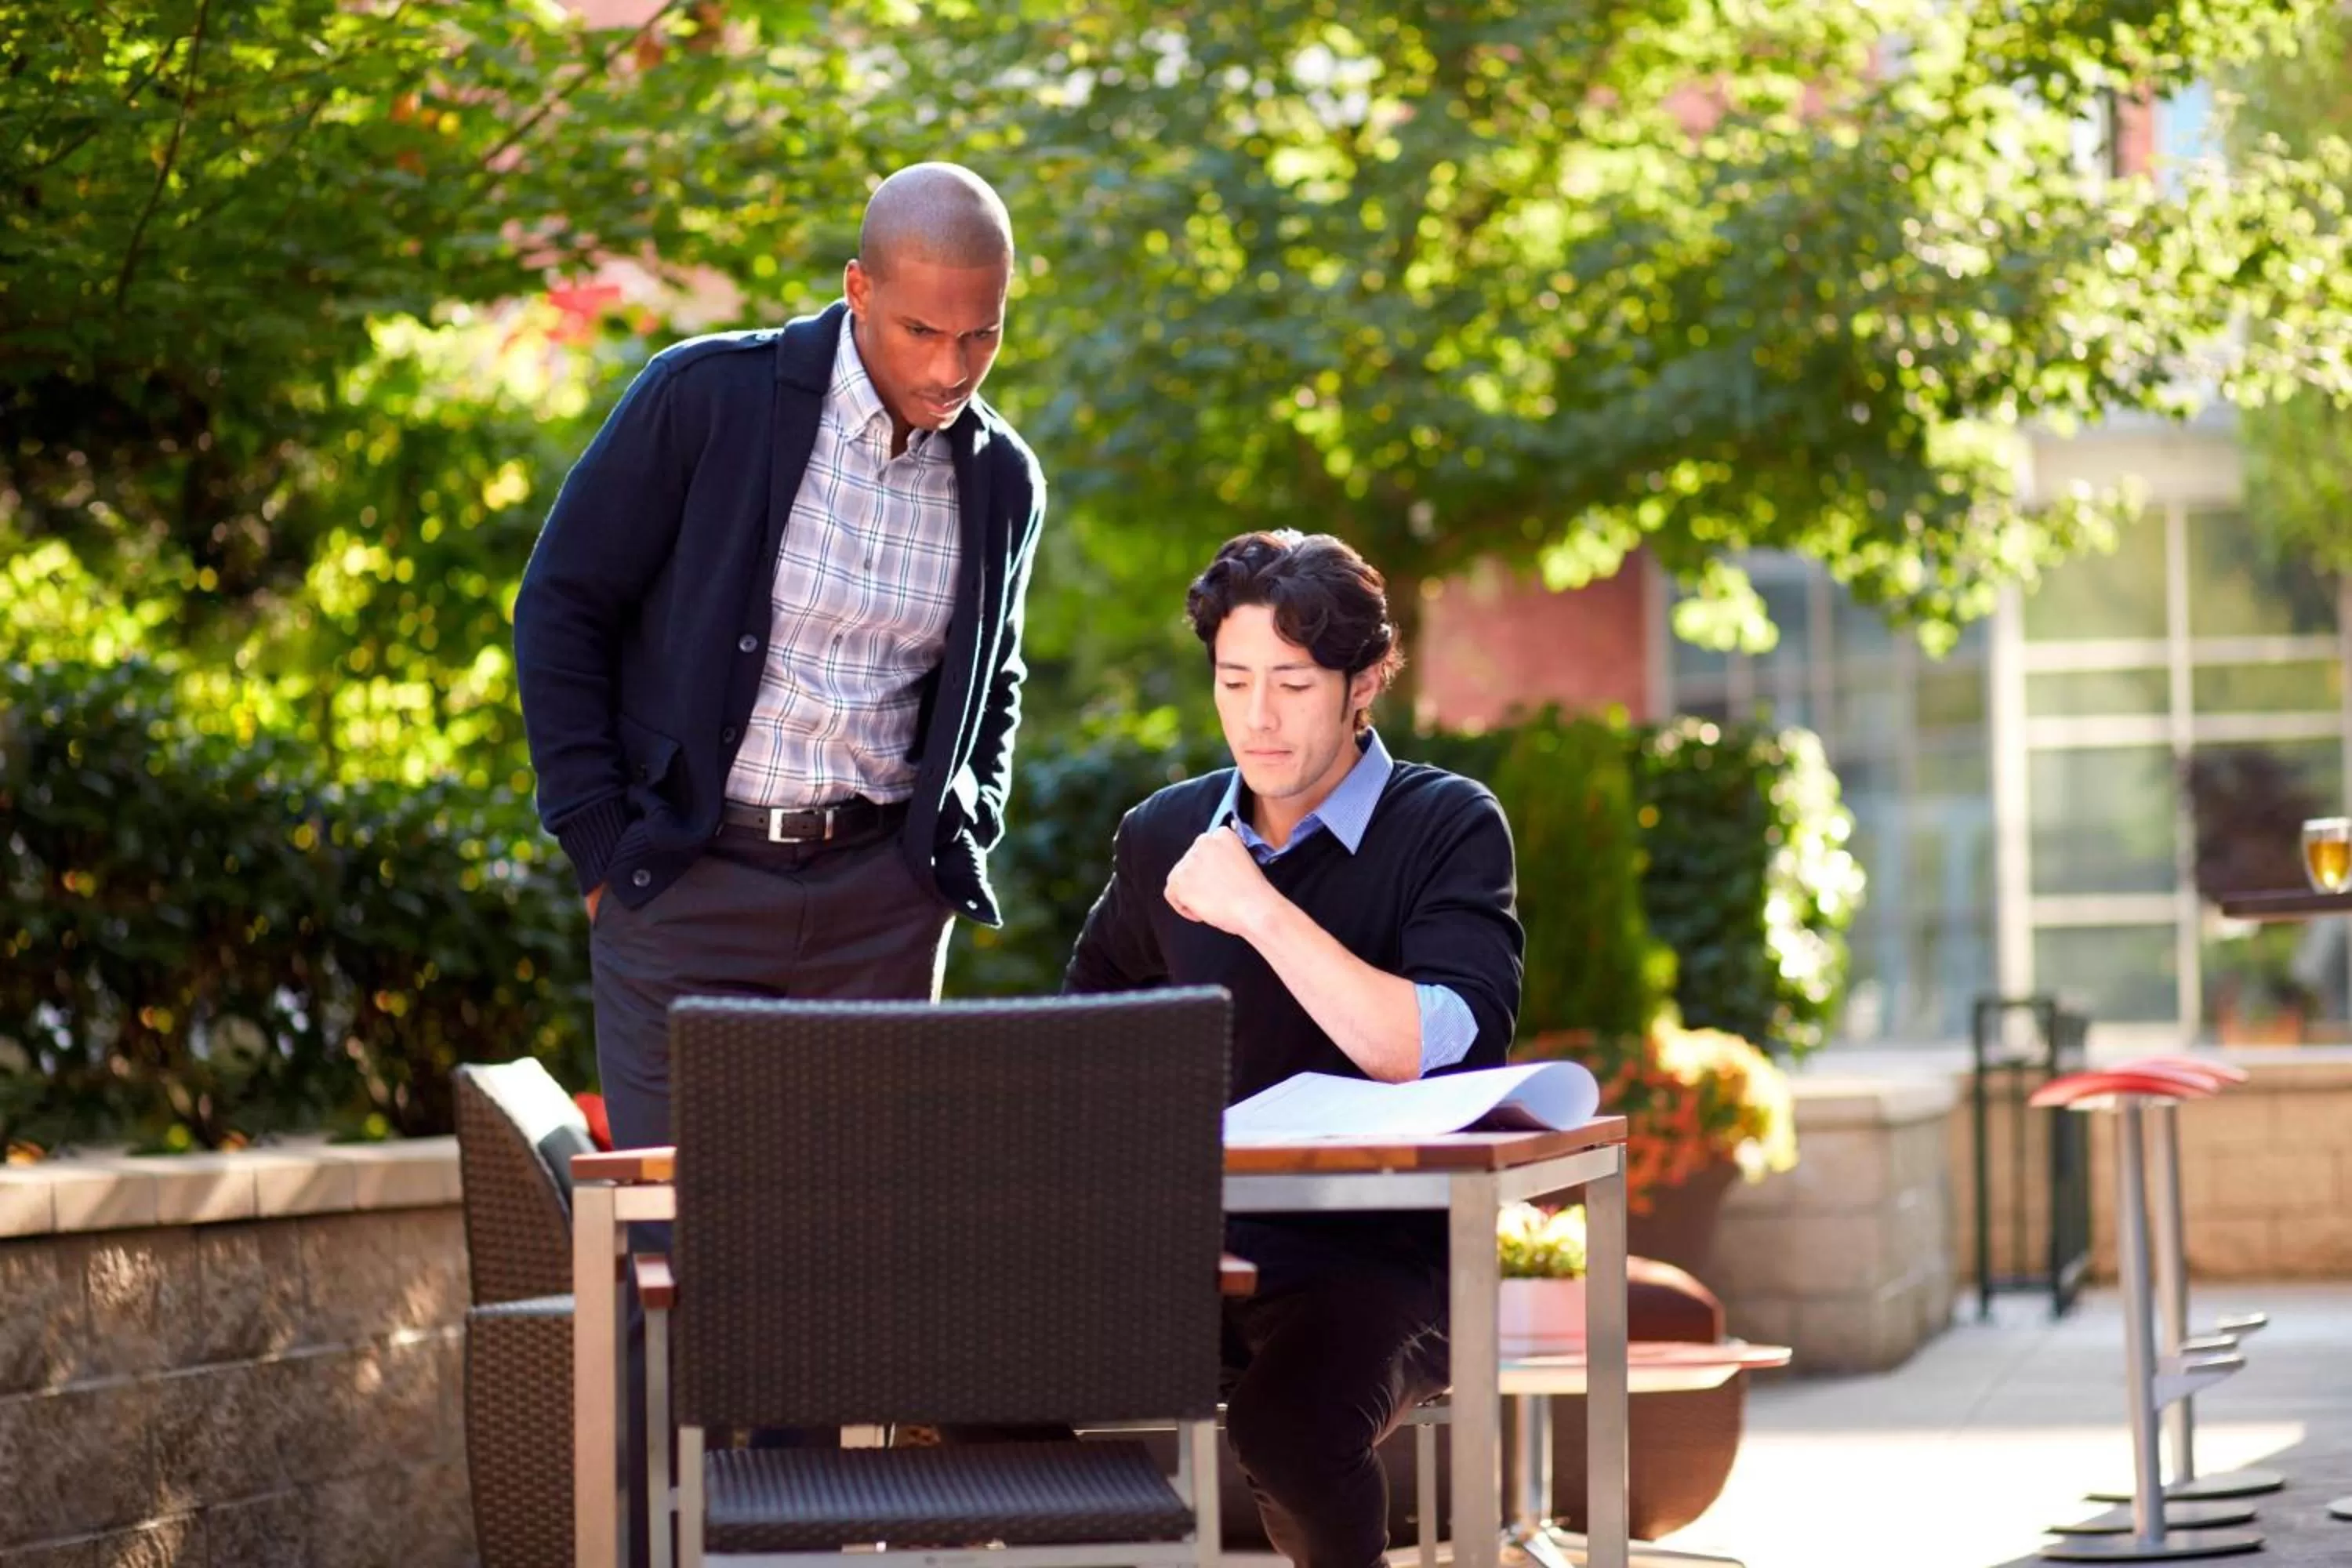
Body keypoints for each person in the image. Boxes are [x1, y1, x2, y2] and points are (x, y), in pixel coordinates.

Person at [515, 160, 1045, 1156]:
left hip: (880, 912)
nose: (949, 369)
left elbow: (995, 677)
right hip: (687, 889)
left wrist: (949, 846)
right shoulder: (707, 399)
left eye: (981, 334)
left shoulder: (1002, 479)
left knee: (855, 1254)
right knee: (684, 1249)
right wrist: (601, 847)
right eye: (921, 331)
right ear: (859, 289)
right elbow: (561, 607)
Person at [1065, 530, 1525, 1568]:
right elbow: (1080, 1045)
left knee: (1290, 1429)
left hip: (1386, 1259)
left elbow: (1428, 1047)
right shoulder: (1162, 835)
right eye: (1234, 681)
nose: (1258, 717)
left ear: (1366, 682)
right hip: (1189, 1251)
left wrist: (1258, 908)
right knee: (968, 1372)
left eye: (1293, 682)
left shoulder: (1448, 826)